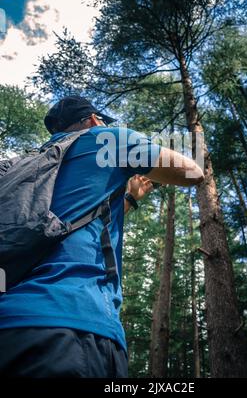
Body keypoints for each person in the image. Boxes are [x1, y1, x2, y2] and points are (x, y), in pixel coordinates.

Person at [0, 96, 204, 378]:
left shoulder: (20, 166)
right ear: (94, 119)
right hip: (73, 323)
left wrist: (129, 199)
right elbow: (193, 173)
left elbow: (62, 221)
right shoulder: (107, 139)